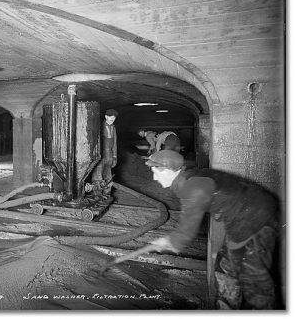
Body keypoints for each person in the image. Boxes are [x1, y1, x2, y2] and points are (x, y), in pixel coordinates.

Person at [145, 150, 278, 309]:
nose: (154, 177)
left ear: (167, 170)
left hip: (256, 217)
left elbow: (187, 230)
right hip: (241, 217)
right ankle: (227, 305)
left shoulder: (193, 187)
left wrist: (168, 242)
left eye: (155, 172)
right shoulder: (186, 176)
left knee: (253, 277)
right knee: (226, 264)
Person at [91, 109, 118, 200]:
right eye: (111, 117)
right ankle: (97, 195)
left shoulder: (113, 128)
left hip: (109, 154)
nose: (112, 119)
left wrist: (114, 157)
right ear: (106, 116)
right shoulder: (99, 127)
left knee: (108, 175)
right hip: (100, 154)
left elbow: (114, 143)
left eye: (114, 117)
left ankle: (106, 194)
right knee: (98, 174)